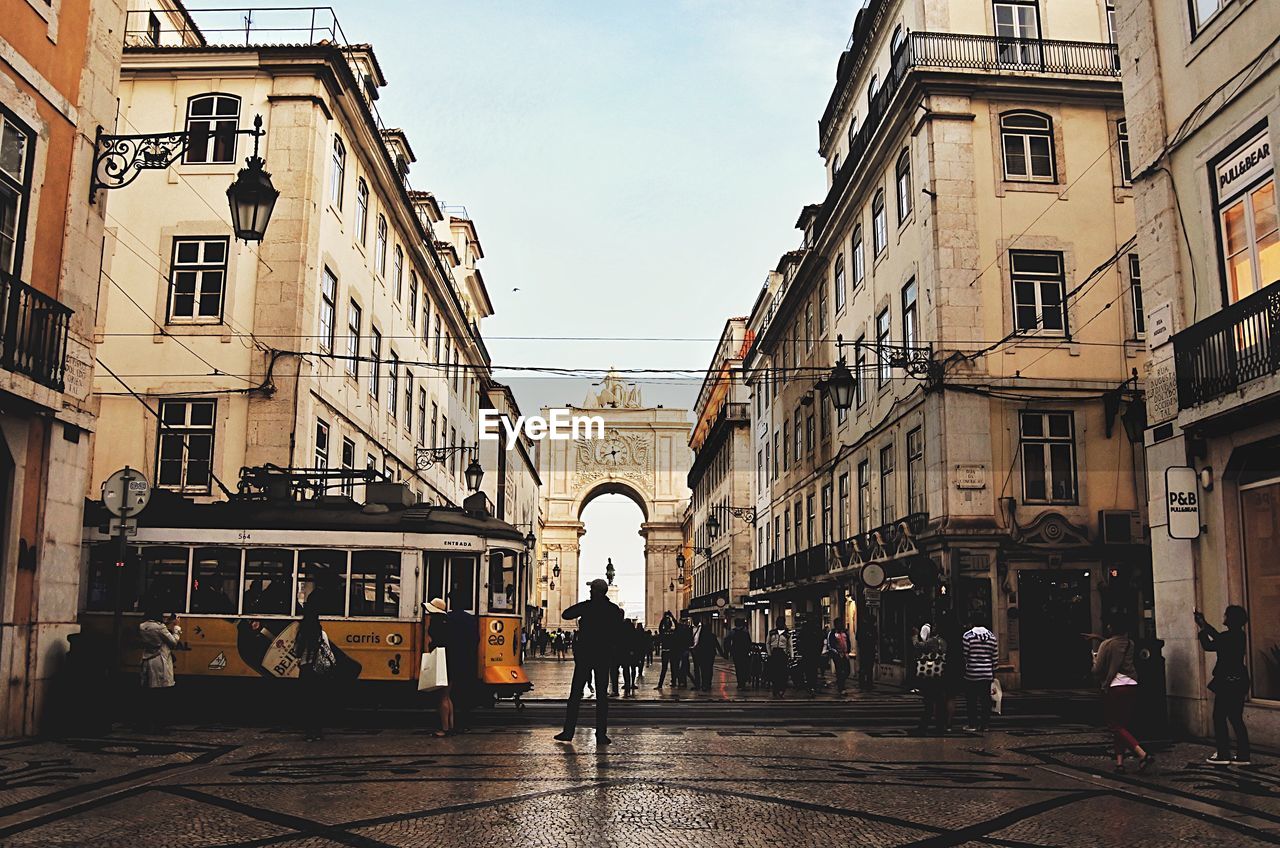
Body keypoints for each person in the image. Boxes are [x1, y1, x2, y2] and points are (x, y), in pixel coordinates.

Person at [555, 579, 624, 744]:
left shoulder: (587, 606)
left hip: (586, 655)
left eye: (592, 590)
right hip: (603, 656)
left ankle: (568, 731)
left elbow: (566, 614)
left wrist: (584, 605)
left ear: (596, 592)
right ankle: (601, 734)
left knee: (575, 695)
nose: (590, 592)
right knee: (602, 697)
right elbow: (617, 633)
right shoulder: (614, 610)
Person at [1092, 621, 1154, 773]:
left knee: (1114, 725)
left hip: (1115, 687)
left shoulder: (1106, 645)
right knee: (1121, 726)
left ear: (1110, 627)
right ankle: (1119, 764)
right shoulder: (1129, 643)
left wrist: (1094, 660)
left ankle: (1142, 754)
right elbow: (1117, 649)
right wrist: (1100, 639)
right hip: (1131, 684)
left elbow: (1097, 669)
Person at [1196, 605, 1251, 766]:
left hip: (1226, 682)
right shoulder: (1240, 635)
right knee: (1235, 718)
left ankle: (1223, 753)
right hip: (1239, 681)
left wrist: (1201, 630)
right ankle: (1243, 755)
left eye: (1226, 615)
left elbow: (1209, 645)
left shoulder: (1228, 637)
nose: (1223, 617)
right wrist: (1204, 624)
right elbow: (1218, 637)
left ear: (1231, 618)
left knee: (1219, 717)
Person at [292, 600, 334, 741]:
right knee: (318, 701)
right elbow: (328, 651)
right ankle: (318, 731)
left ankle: (309, 733)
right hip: (318, 672)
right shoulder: (322, 634)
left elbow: (296, 652)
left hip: (305, 670)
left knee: (307, 701)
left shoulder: (301, 633)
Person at [138, 610, 180, 730]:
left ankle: (147, 722)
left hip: (148, 659)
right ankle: (159, 724)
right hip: (160, 661)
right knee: (161, 694)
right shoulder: (160, 627)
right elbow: (173, 642)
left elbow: (157, 630)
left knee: (149, 693)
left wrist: (167, 623)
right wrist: (176, 627)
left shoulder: (143, 626)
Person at [424, 598, 455, 737]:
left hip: (441, 661)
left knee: (442, 697)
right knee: (447, 696)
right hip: (451, 661)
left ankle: (444, 729)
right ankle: (451, 726)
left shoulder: (435, 624)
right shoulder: (448, 623)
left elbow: (432, 642)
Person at [961, 614, 998, 732]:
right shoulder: (992, 637)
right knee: (985, 700)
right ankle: (985, 724)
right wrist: (992, 670)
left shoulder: (968, 636)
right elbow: (995, 657)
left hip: (972, 673)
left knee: (971, 700)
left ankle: (972, 724)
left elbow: (965, 655)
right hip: (987, 673)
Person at [912, 620, 948, 735]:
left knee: (929, 702)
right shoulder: (943, 642)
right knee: (939, 701)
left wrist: (914, 636)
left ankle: (924, 725)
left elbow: (918, 646)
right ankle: (940, 725)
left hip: (930, 675)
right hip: (940, 674)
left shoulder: (932, 641)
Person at [693, 621, 722, 692]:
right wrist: (722, 654)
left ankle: (704, 685)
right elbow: (717, 645)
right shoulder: (712, 636)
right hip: (710, 655)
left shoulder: (701, 636)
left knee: (703, 670)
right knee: (709, 669)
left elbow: (698, 645)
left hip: (703, 654)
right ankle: (708, 683)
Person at [724, 619, 753, 690]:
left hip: (736, 652)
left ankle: (740, 683)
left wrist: (728, 650)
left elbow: (726, 641)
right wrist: (749, 650)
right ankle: (743, 682)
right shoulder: (745, 631)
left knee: (738, 668)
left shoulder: (732, 632)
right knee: (744, 667)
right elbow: (749, 642)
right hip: (744, 652)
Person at [827, 619, 852, 695]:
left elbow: (848, 642)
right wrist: (836, 653)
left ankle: (840, 682)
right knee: (840, 670)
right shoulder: (832, 633)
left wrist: (848, 651)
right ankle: (841, 687)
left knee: (847, 670)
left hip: (845, 654)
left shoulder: (844, 633)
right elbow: (830, 644)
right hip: (837, 655)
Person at [767, 624, 791, 697]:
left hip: (782, 654)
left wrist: (790, 655)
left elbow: (789, 645)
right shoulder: (772, 632)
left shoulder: (787, 634)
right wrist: (769, 653)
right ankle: (775, 689)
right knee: (774, 673)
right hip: (774, 653)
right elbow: (768, 643)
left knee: (782, 673)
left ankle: (781, 689)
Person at [856, 612, 877, 691]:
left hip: (868, 650)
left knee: (867, 667)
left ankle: (867, 683)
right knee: (866, 667)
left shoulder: (871, 628)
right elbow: (858, 638)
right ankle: (865, 683)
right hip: (865, 650)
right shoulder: (864, 628)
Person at [656, 611, 677, 688]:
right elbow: (660, 626)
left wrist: (672, 617)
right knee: (664, 669)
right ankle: (660, 684)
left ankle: (673, 683)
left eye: (669, 622)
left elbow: (677, 625)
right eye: (666, 622)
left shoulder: (673, 631)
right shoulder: (663, 631)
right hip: (665, 651)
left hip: (671, 652)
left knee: (673, 668)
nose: (667, 623)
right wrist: (664, 618)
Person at [673, 619, 694, 688]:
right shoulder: (687, 630)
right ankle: (684, 683)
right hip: (683, 650)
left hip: (680, 651)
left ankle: (682, 682)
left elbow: (675, 622)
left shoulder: (680, 631)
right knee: (684, 669)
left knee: (682, 668)